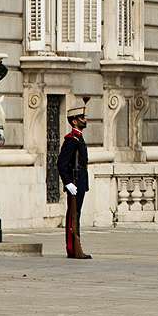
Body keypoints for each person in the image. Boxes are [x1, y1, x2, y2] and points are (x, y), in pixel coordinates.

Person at [57, 98, 91, 259]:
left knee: (76, 214)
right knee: (73, 215)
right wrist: (68, 182)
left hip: (80, 182)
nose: (85, 120)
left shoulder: (79, 138)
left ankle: (75, 248)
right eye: (82, 118)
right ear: (75, 121)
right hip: (75, 182)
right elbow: (61, 164)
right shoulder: (71, 140)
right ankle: (73, 248)